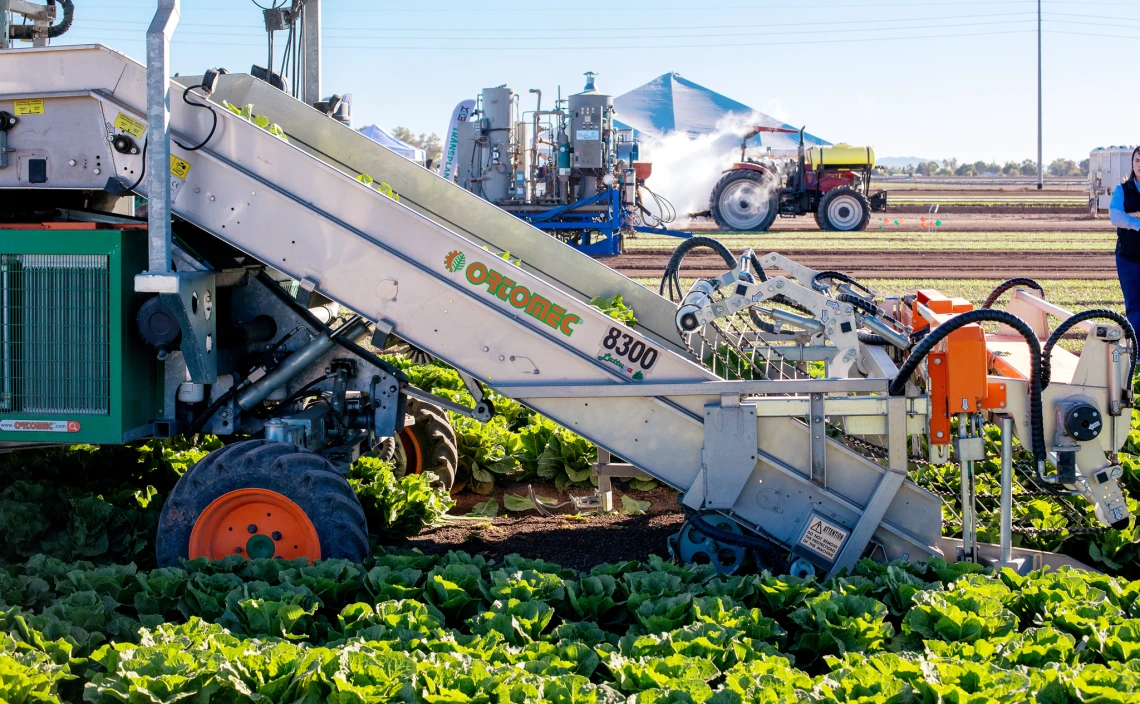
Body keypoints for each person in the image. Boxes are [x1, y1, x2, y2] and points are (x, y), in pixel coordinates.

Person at [1111, 146, 1140, 336]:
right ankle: (1137, 355)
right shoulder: (1122, 189)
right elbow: (1115, 217)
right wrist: (1136, 222)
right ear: (1132, 164)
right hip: (1128, 259)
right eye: (1137, 161)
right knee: (1135, 306)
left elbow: (1123, 216)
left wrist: (1131, 215)